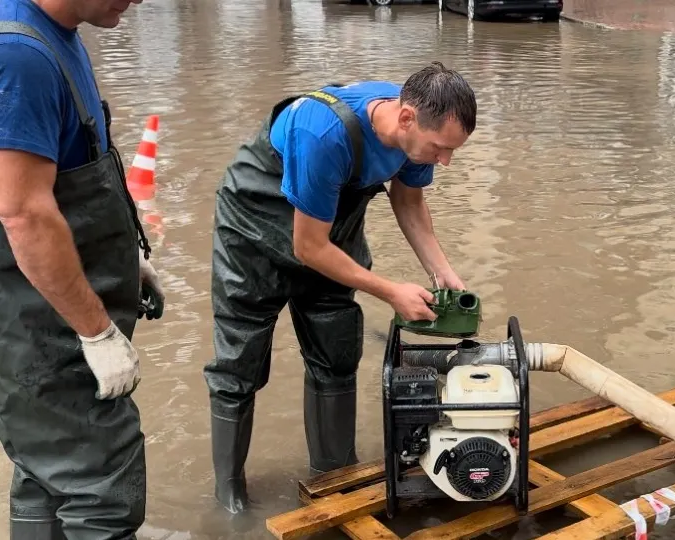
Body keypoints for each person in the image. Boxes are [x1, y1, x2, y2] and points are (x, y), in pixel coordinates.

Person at [203, 62, 477, 513]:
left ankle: (334, 476)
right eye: (441, 148)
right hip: (254, 229)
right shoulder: (323, 134)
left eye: (452, 150)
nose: (444, 161)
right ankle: (229, 493)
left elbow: (408, 200)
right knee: (239, 361)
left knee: (336, 351)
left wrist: (440, 271)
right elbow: (308, 247)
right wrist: (390, 290)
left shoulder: (414, 131)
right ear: (406, 117)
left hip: (331, 229)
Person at [0, 0, 164, 538]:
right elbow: (23, 213)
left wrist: (128, 254)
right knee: (103, 487)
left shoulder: (57, 33)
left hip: (44, 317)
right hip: (44, 330)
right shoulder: (19, 54)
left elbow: (78, 167)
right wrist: (96, 333)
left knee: (45, 472)